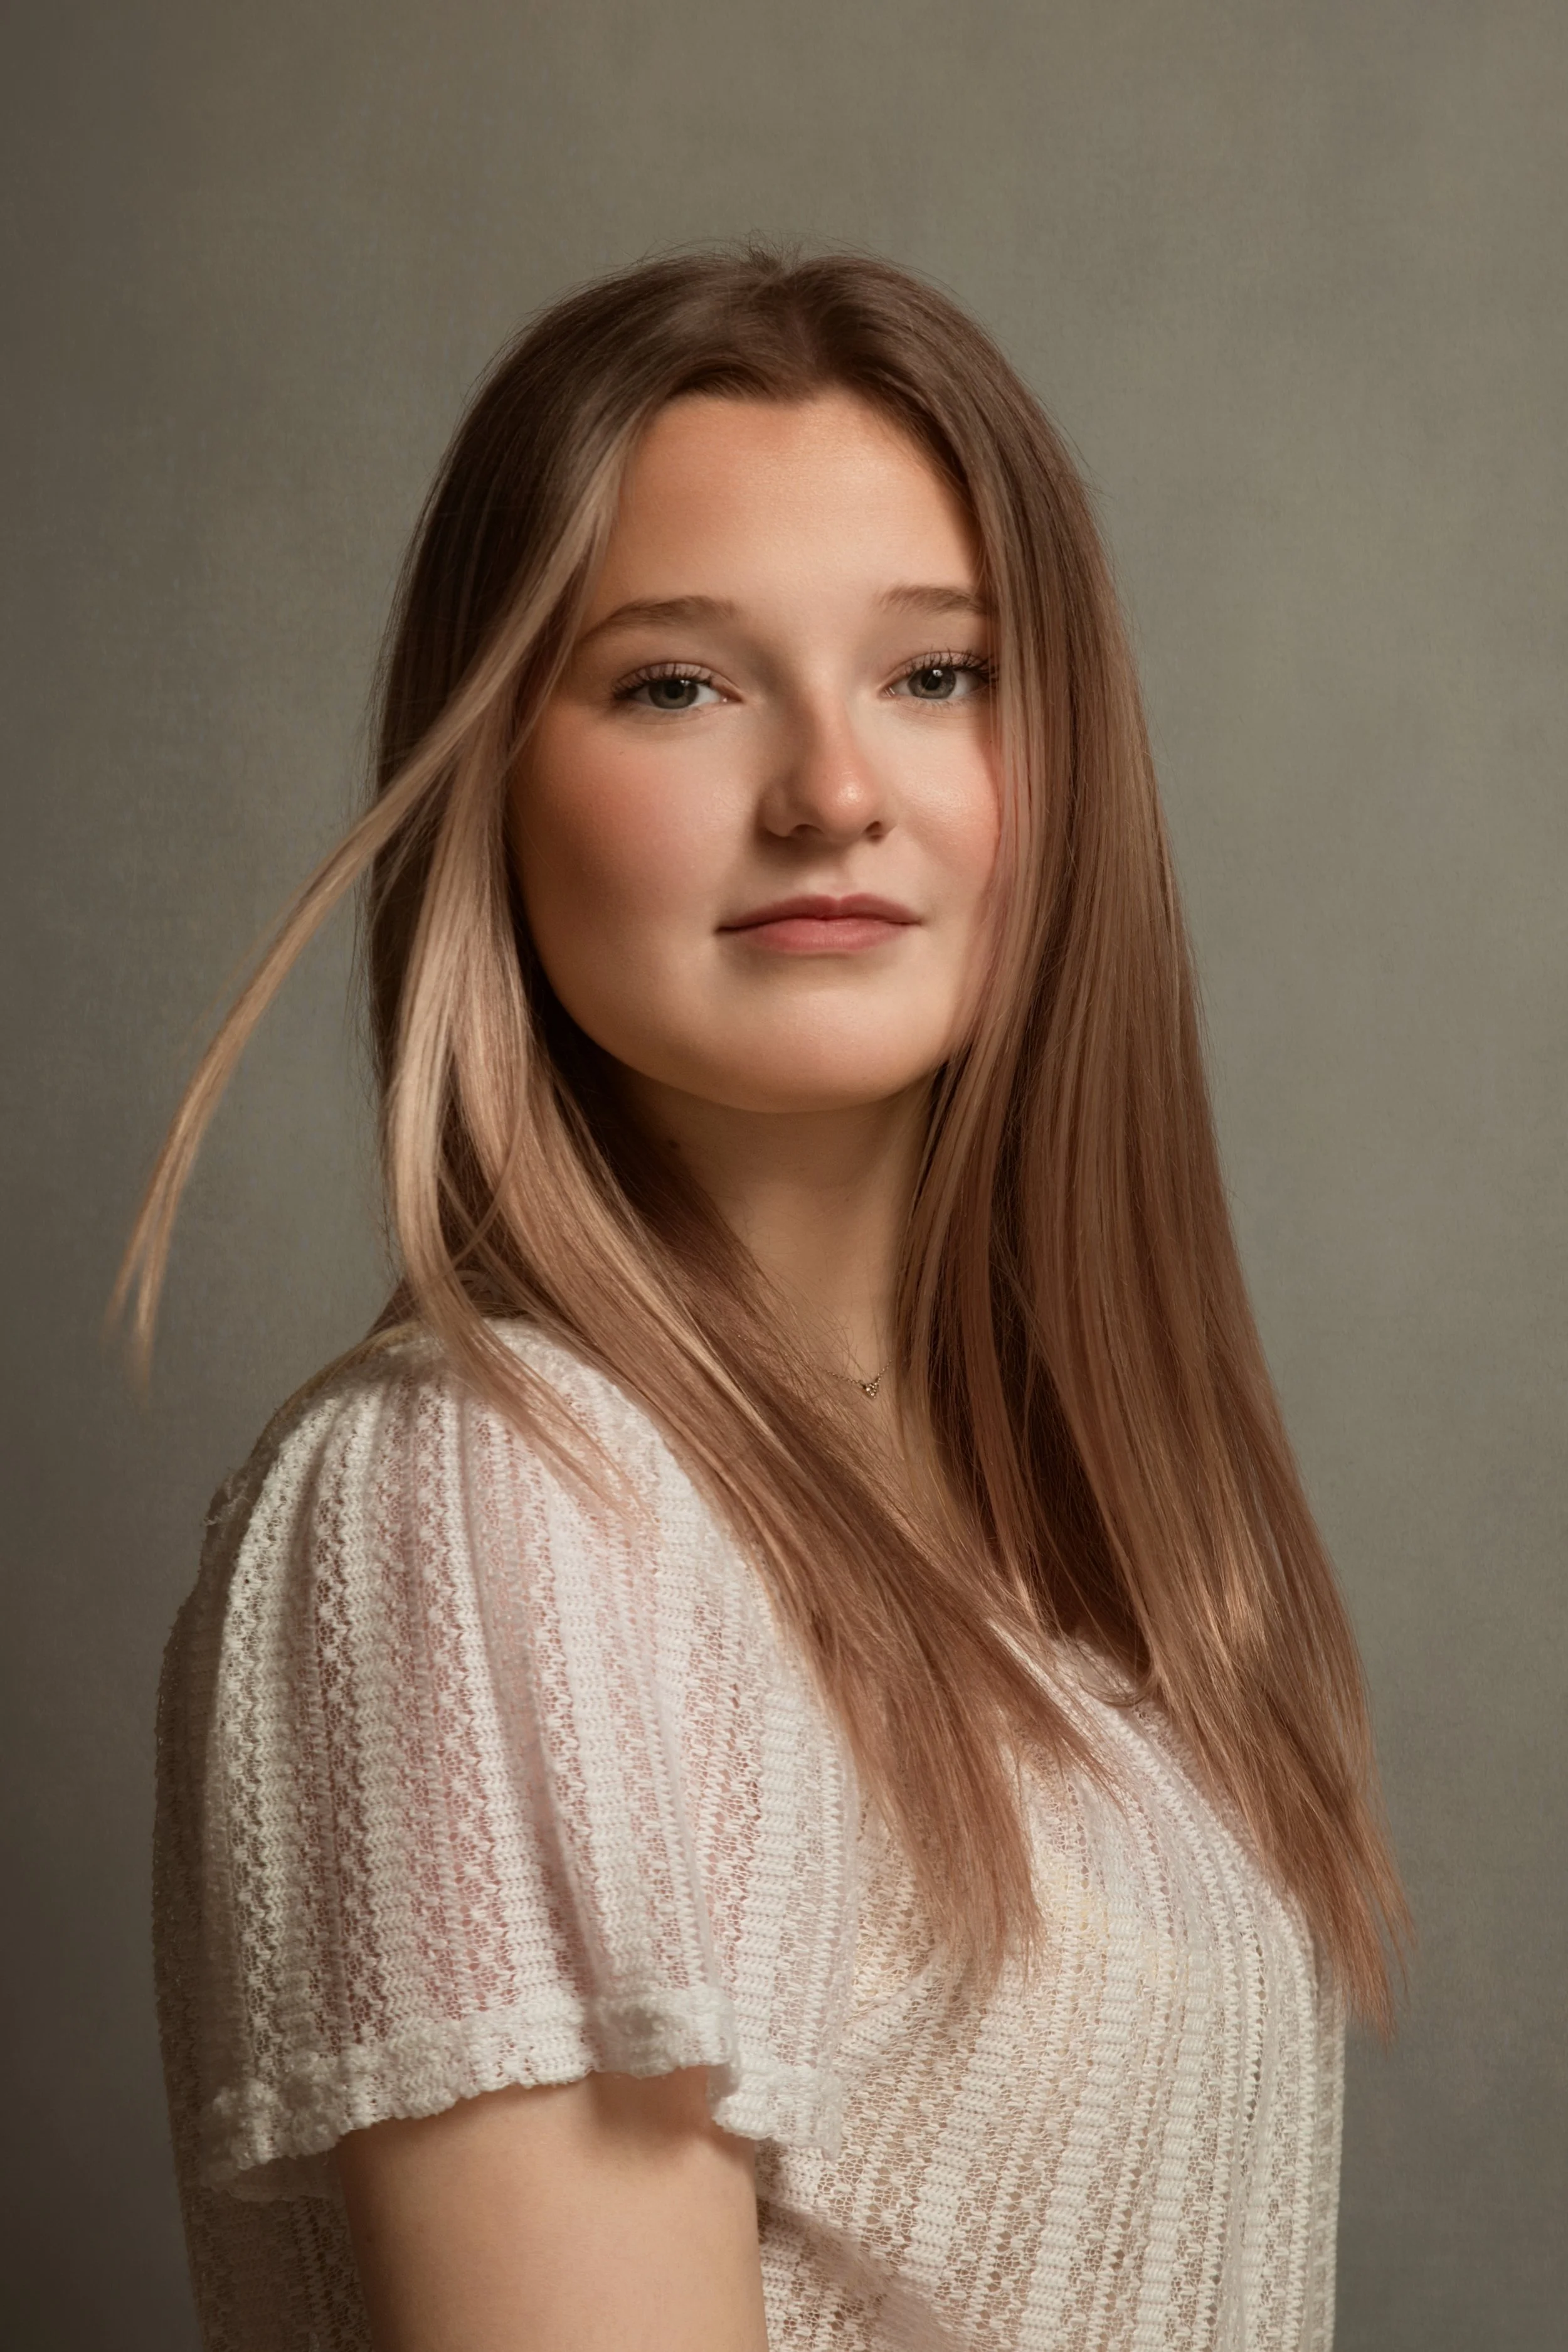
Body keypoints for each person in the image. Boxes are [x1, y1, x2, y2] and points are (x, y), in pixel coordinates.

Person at [122, 248, 1406, 2351]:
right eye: (676, 685)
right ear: (488, 779)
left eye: (937, 672)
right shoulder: (486, 1500)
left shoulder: (1070, 1556)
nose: (830, 791)